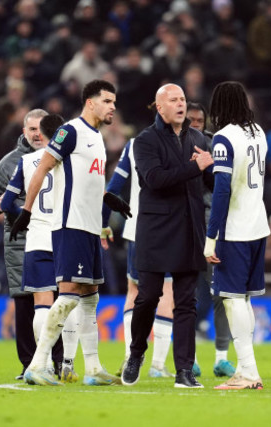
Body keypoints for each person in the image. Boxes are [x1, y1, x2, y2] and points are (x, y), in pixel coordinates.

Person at [11, 79, 131, 386]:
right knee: (67, 296)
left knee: (90, 298)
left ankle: (92, 368)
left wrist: (108, 199)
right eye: (107, 101)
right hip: (71, 225)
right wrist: (26, 209)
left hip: (91, 227)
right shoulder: (70, 131)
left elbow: (87, 182)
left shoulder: (96, 137)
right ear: (90, 103)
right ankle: (38, 365)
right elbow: (42, 168)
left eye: (114, 102)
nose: (113, 107)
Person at [121, 83, 214, 389]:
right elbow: (156, 179)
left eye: (183, 99)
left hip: (189, 229)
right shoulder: (145, 140)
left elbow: (207, 181)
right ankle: (136, 353)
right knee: (148, 297)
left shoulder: (198, 138)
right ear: (159, 107)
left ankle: (184, 371)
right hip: (156, 231)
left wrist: (213, 167)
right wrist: (195, 167)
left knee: (187, 303)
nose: (180, 104)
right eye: (173, 100)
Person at [0, 108, 65, 381]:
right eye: (32, 129)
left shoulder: (63, 157)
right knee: (26, 303)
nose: (37, 134)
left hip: (55, 236)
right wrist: (2, 205)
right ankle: (29, 364)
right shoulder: (10, 162)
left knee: (58, 300)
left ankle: (60, 362)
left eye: (41, 128)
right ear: (23, 132)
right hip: (20, 241)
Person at [0, 114, 81, 382]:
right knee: (69, 301)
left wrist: (25, 216)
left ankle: (41, 365)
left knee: (41, 305)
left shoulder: (25, 161)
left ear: (41, 133)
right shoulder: (71, 160)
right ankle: (67, 363)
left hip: (36, 239)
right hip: (66, 237)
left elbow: (6, 202)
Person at [201, 81, 268, 390]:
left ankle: (249, 372)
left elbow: (222, 191)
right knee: (244, 299)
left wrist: (211, 237)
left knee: (230, 299)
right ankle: (244, 368)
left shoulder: (223, 138)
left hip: (235, 230)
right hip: (258, 225)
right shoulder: (258, 131)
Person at [101, 138, 175, 378]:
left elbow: (114, 186)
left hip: (136, 229)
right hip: (169, 229)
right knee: (168, 291)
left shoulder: (134, 144)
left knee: (134, 291)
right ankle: (158, 365)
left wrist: (103, 223)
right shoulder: (182, 143)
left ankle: (129, 358)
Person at [186, 102, 236, 378]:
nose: (195, 124)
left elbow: (221, 186)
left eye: (199, 120)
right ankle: (188, 357)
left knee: (219, 292)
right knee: (186, 294)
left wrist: (207, 166)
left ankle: (221, 358)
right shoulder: (172, 146)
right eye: (190, 119)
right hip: (180, 227)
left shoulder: (215, 147)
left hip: (207, 226)